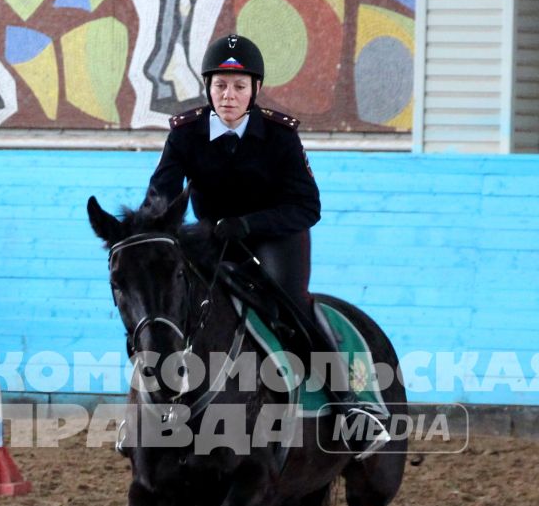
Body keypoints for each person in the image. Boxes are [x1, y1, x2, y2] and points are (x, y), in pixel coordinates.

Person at [145, 33, 389, 456]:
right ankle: (152, 406)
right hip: (212, 236)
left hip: (277, 236)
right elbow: (160, 197)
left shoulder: (280, 136)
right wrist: (155, 232)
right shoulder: (185, 134)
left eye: (239, 87)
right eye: (220, 86)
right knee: (163, 298)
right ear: (208, 87)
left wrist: (248, 223)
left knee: (291, 304)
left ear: (254, 90)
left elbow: (307, 206)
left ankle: (348, 406)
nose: (229, 96)